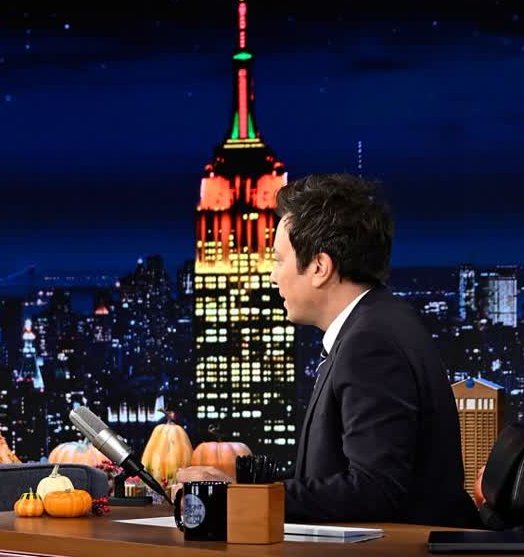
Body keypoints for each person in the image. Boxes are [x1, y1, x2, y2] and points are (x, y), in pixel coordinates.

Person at [174, 174, 480, 527]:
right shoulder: (377, 322)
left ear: (320, 267)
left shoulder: (371, 343)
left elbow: (375, 490)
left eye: (279, 260)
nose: (273, 276)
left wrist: (239, 497)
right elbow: (334, 477)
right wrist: (244, 489)